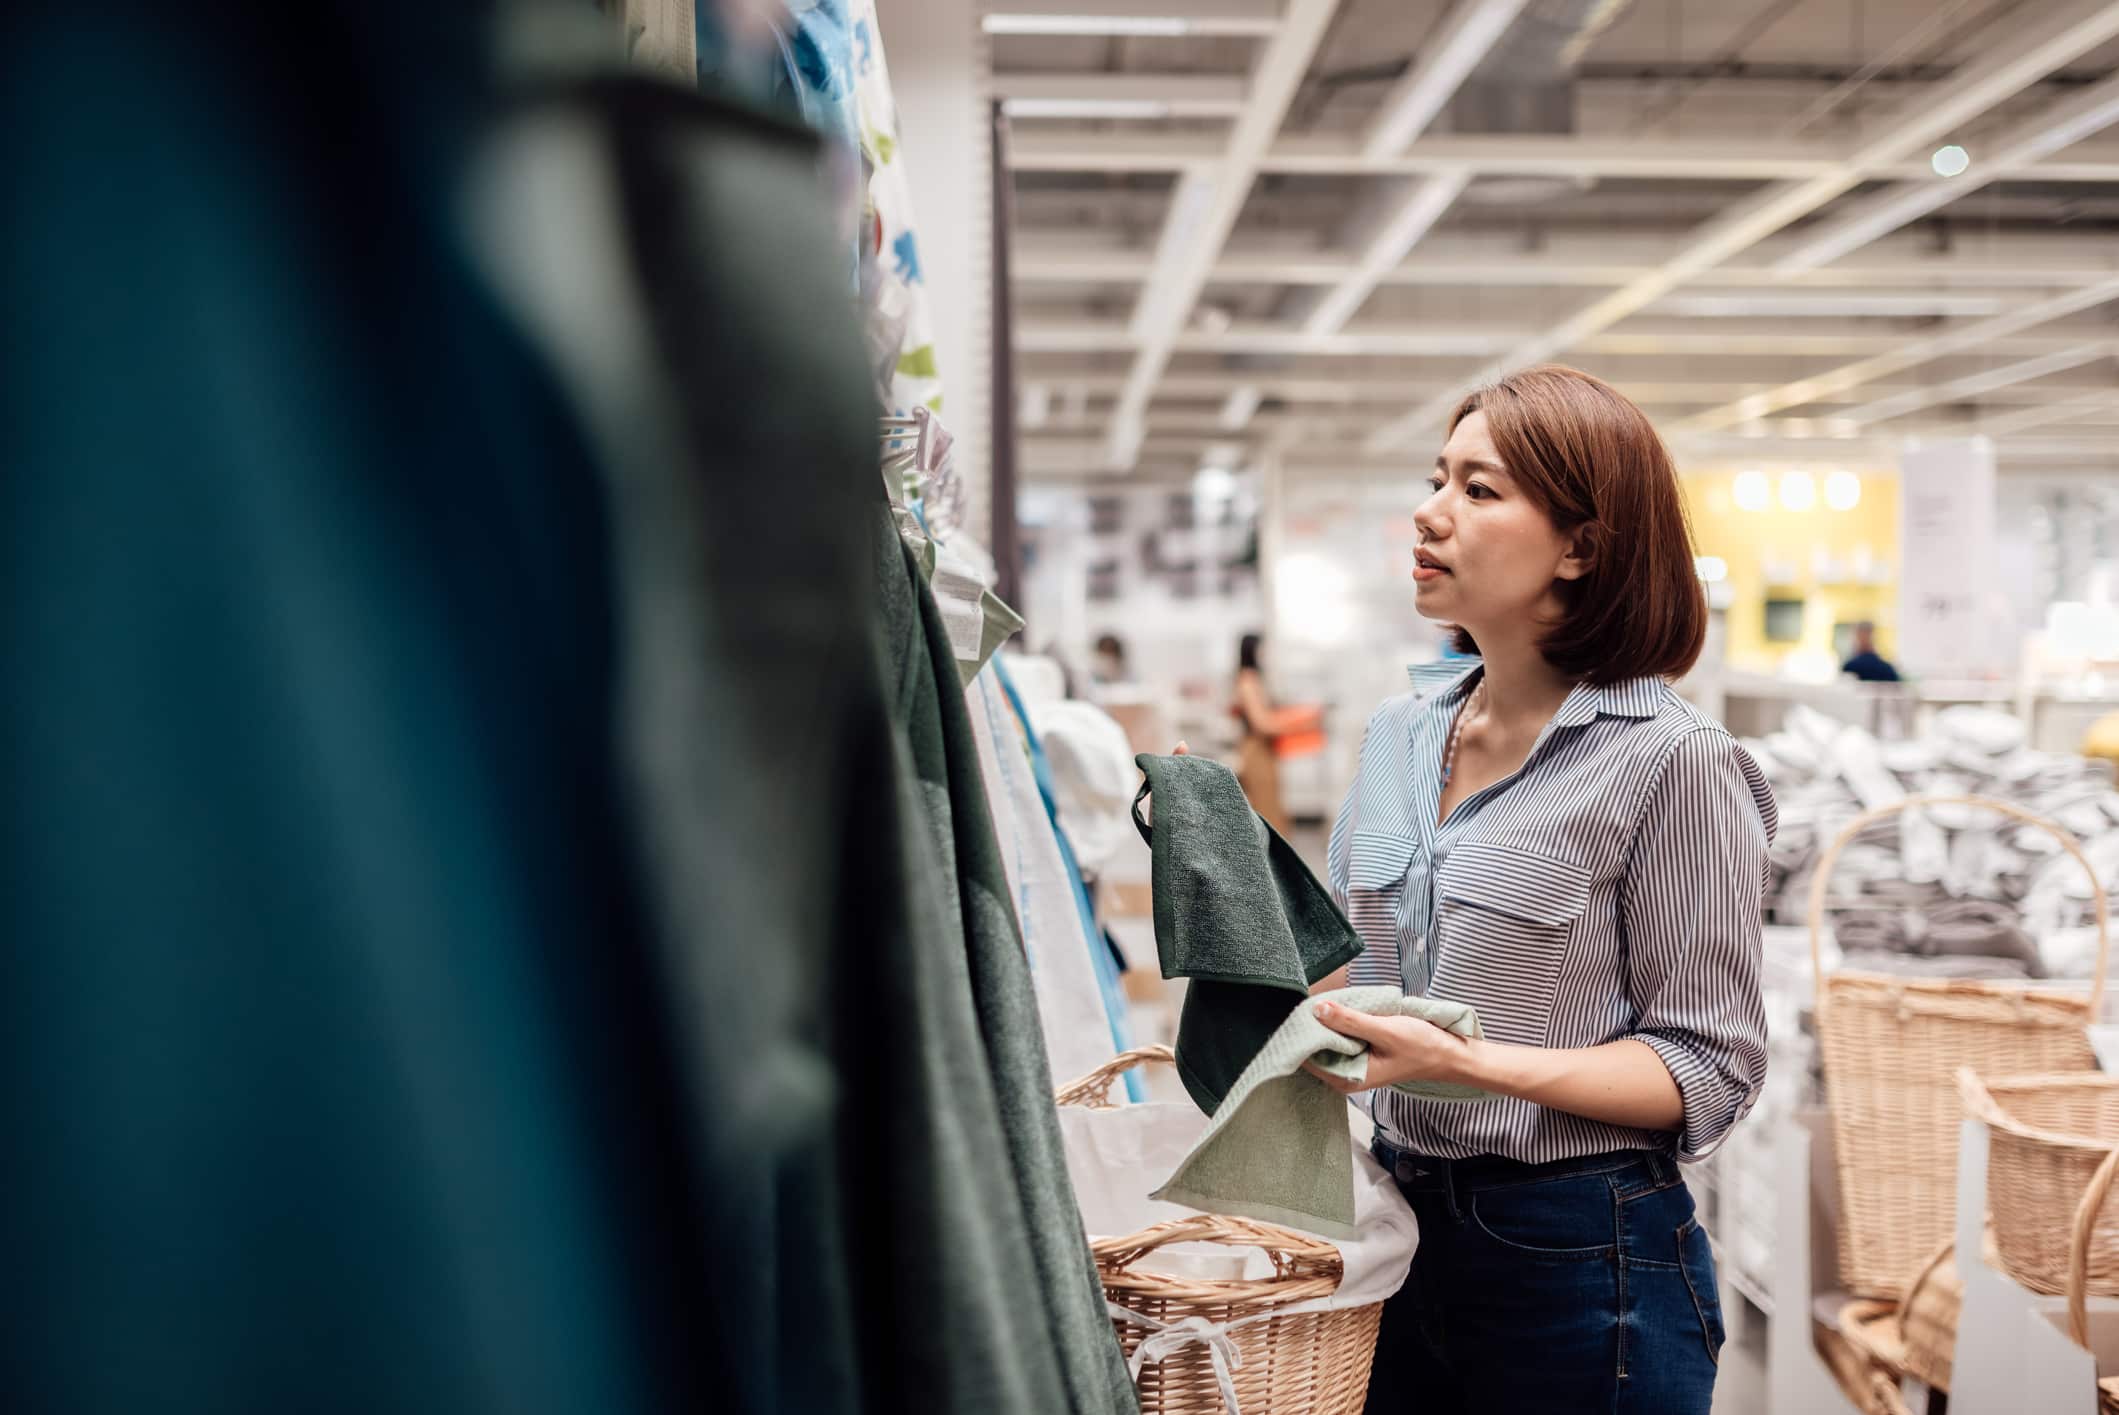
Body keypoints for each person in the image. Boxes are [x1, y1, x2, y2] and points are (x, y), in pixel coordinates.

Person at [1305, 366, 1775, 1413]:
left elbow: (1707, 1066)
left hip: (1578, 1254)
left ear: (1581, 545)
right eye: (1438, 478)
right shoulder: (1398, 735)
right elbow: (1353, 966)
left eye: (1479, 489)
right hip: (1392, 1226)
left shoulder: (1671, 760)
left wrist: (1470, 1062)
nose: (1429, 511)